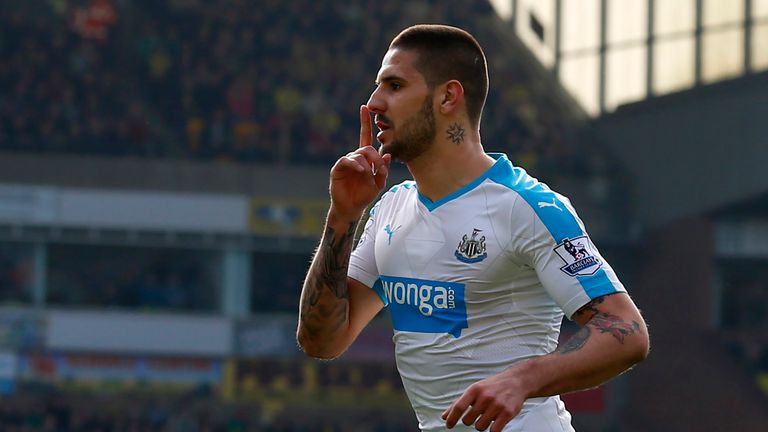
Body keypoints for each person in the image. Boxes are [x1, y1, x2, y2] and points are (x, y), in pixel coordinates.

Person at [297, 24, 649, 432]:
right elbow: (322, 340)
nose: (374, 103)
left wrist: (523, 379)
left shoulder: (527, 206)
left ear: (448, 96)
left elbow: (627, 331)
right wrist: (343, 218)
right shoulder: (391, 209)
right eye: (378, 87)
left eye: (394, 85)